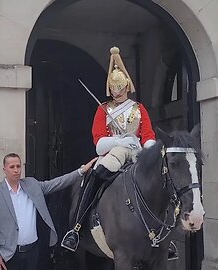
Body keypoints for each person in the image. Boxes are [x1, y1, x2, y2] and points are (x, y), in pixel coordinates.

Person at [62, 47, 177, 260]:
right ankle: (77, 228)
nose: (118, 92)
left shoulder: (138, 109)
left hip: (137, 153)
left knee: (160, 178)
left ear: (127, 86)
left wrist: (146, 149)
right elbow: (98, 141)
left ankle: (165, 236)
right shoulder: (103, 110)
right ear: (110, 89)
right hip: (113, 152)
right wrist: (119, 140)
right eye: (114, 89)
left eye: (121, 88)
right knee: (96, 175)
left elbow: (148, 134)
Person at [0, 153, 98, 270]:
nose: (16, 170)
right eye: (12, 167)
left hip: (32, 252)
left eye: (18, 166)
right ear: (4, 169)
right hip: (8, 255)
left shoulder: (31, 185)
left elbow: (57, 183)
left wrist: (81, 171)